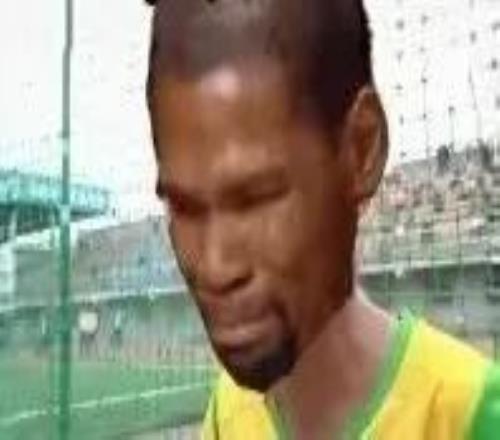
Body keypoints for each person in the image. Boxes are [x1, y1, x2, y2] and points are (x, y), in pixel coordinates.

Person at [143, 0, 500, 438]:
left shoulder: (472, 415)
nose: (216, 267)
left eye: (257, 199)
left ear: (361, 149)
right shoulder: (229, 410)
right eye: (184, 207)